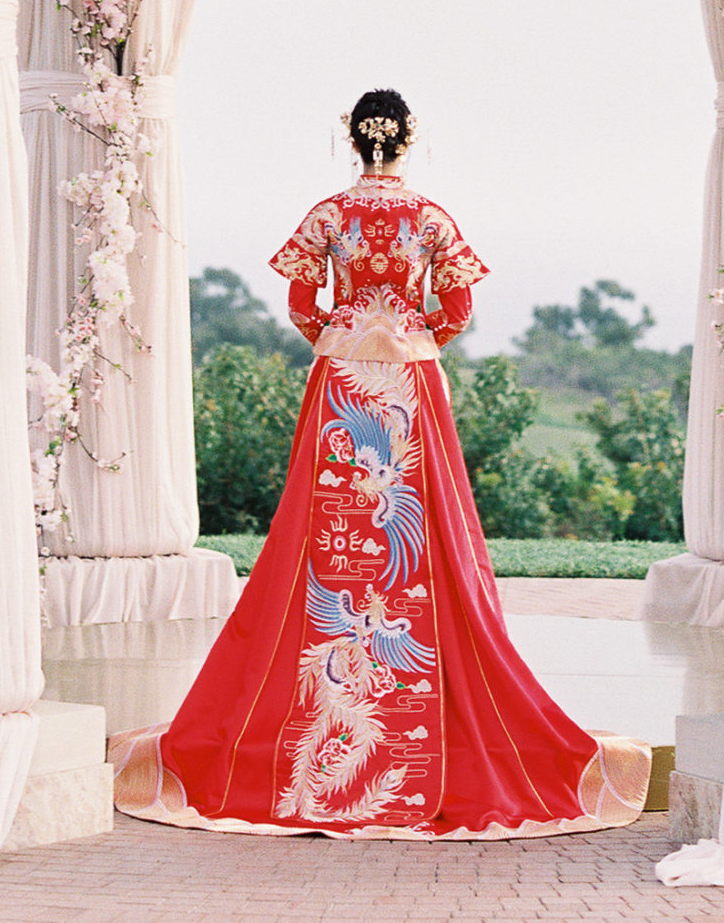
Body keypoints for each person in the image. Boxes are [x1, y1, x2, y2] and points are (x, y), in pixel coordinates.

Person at [109, 87, 650, 837]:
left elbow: (302, 302)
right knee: (419, 535)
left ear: (350, 138)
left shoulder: (328, 215)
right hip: (409, 376)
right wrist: (411, 329)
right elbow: (457, 308)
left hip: (342, 380)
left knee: (321, 534)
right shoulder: (429, 217)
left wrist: (342, 330)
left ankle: (318, 706)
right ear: (407, 140)